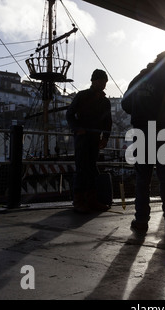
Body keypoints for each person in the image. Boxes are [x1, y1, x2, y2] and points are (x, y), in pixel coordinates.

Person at [122, 50, 165, 233]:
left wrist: (141, 113)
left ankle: (141, 221)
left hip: (141, 133)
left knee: (142, 179)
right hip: (162, 134)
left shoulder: (138, 79)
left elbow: (125, 104)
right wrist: (164, 118)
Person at [66, 69, 113, 213]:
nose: (104, 84)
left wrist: (105, 138)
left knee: (91, 168)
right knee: (82, 168)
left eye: (105, 82)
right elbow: (70, 115)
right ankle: (79, 201)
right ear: (94, 81)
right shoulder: (82, 96)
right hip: (82, 137)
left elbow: (108, 122)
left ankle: (91, 200)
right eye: (101, 81)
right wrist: (77, 128)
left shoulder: (105, 101)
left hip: (94, 137)